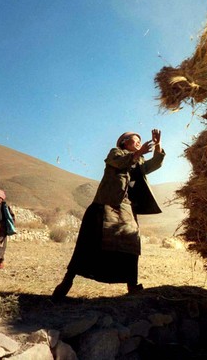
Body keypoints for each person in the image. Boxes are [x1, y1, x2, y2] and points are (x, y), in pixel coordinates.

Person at [52, 129, 165, 300]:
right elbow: (119, 163)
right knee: (87, 246)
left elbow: (155, 164)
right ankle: (67, 282)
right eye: (136, 140)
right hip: (104, 205)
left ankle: (132, 285)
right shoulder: (116, 153)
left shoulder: (140, 161)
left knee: (131, 244)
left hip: (126, 209)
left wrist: (158, 145)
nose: (139, 143)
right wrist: (138, 153)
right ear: (124, 142)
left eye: (141, 141)